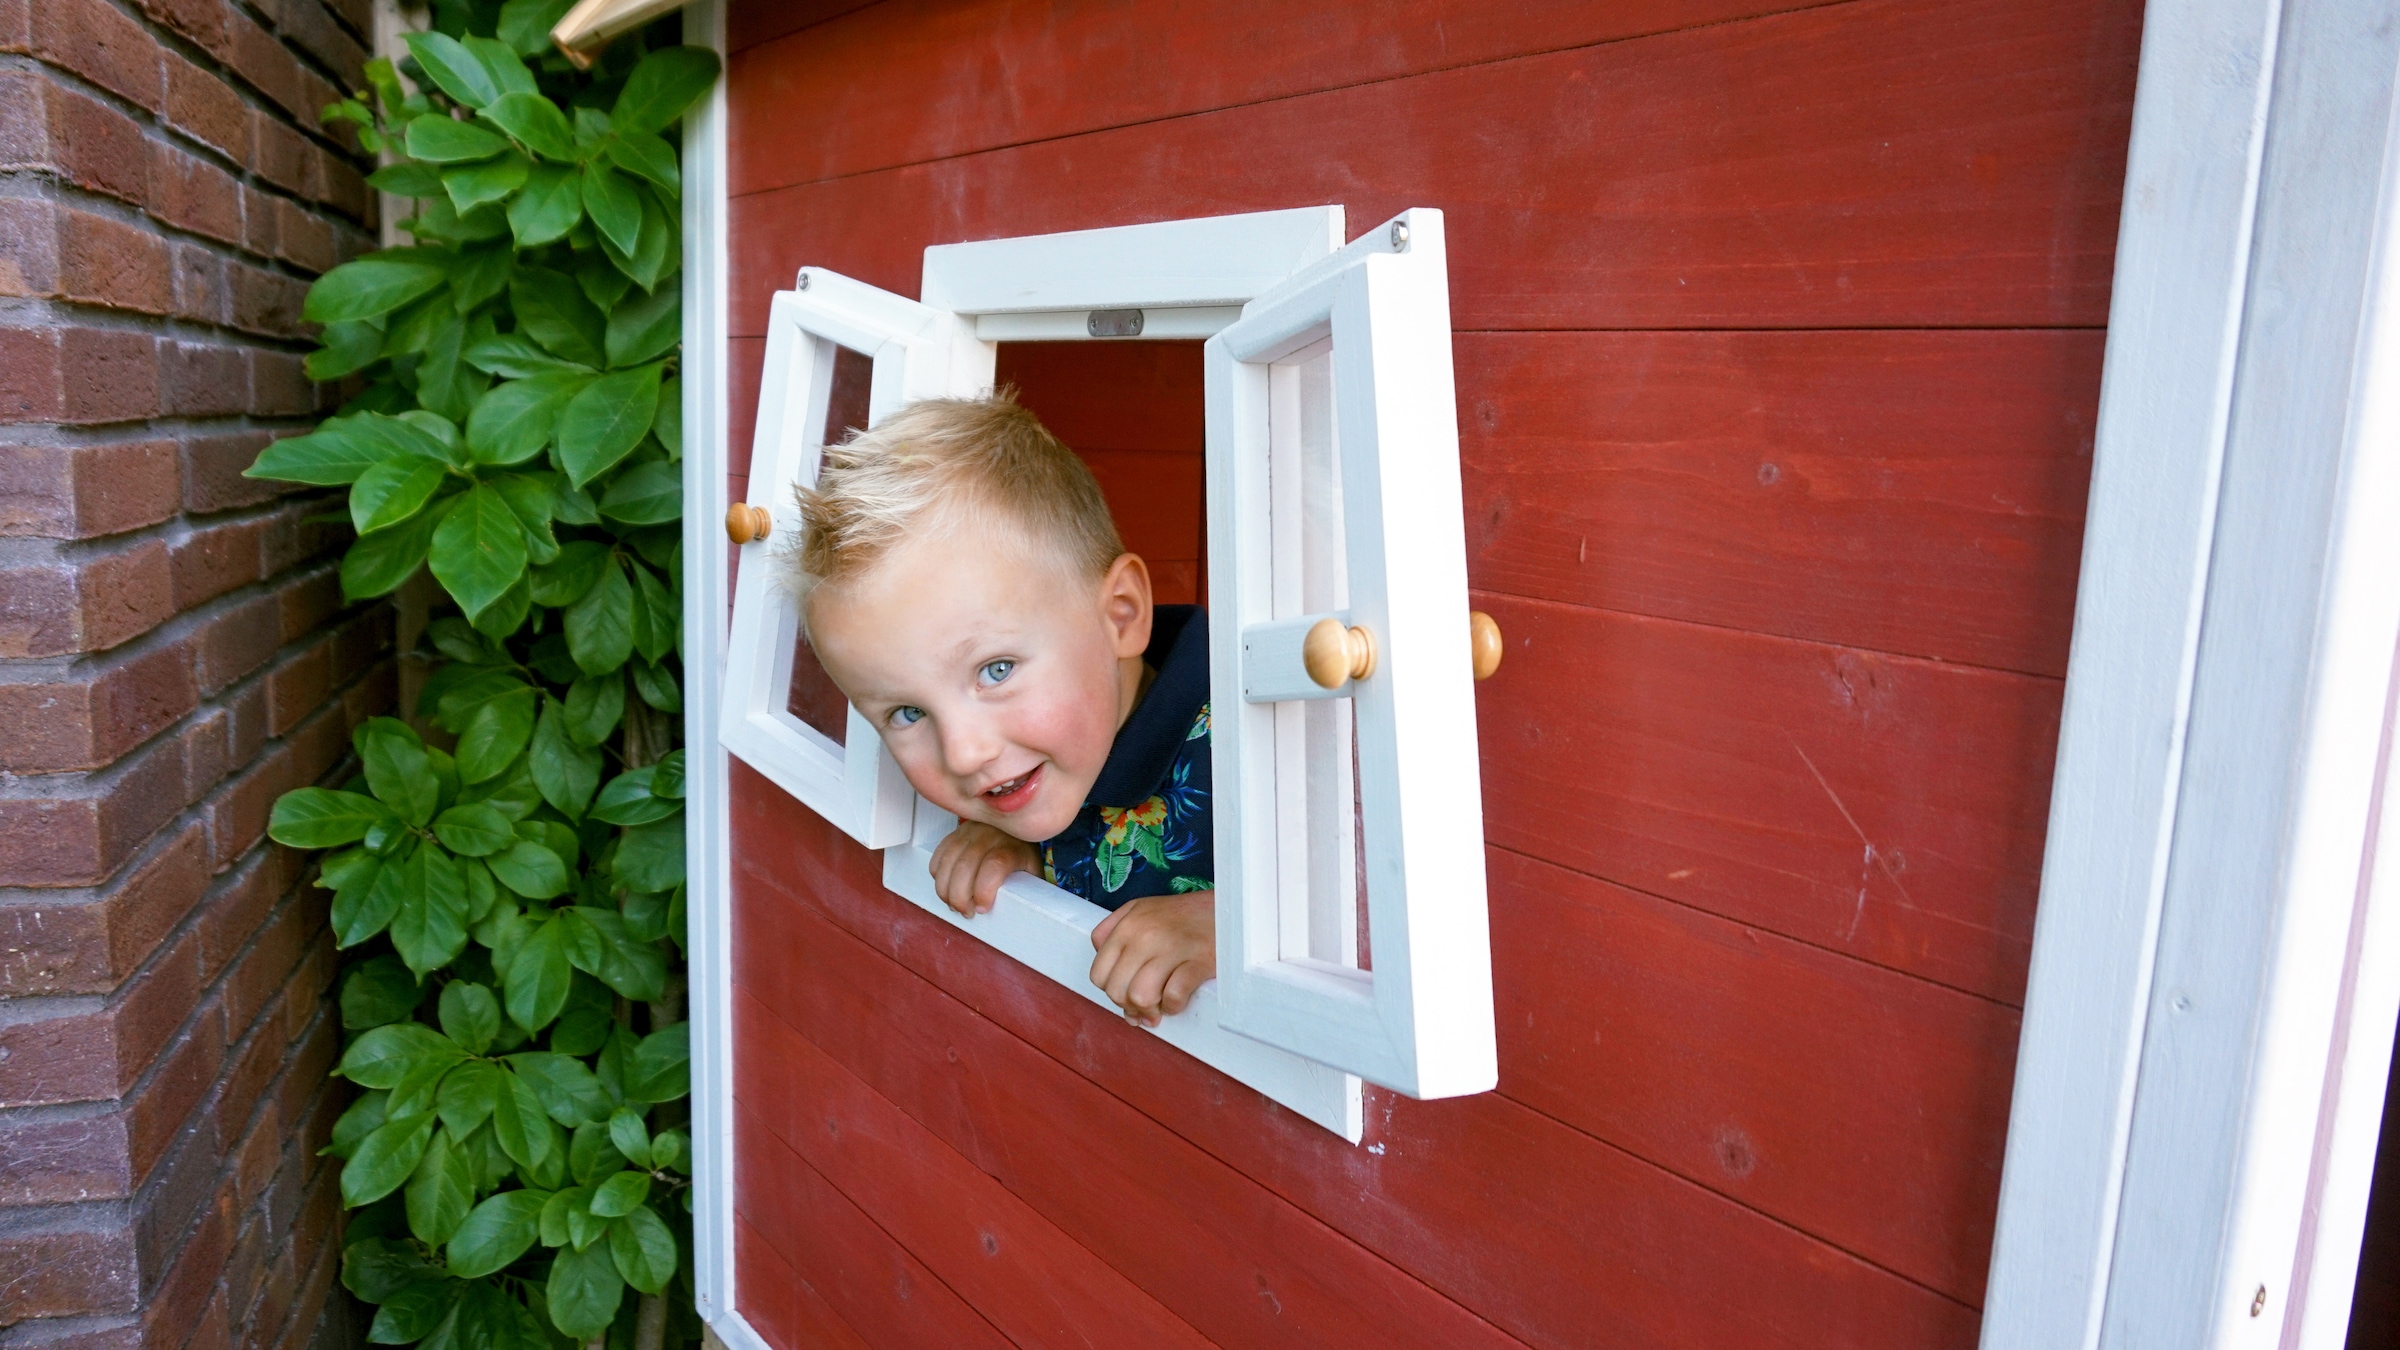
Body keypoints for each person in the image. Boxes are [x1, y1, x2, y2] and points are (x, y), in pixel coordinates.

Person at [785, 393, 1215, 1028]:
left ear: (1120, 615)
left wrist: (1235, 933)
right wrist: (1020, 839)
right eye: (906, 713)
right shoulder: (1041, 764)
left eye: (995, 671)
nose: (964, 753)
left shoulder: (1269, 742)